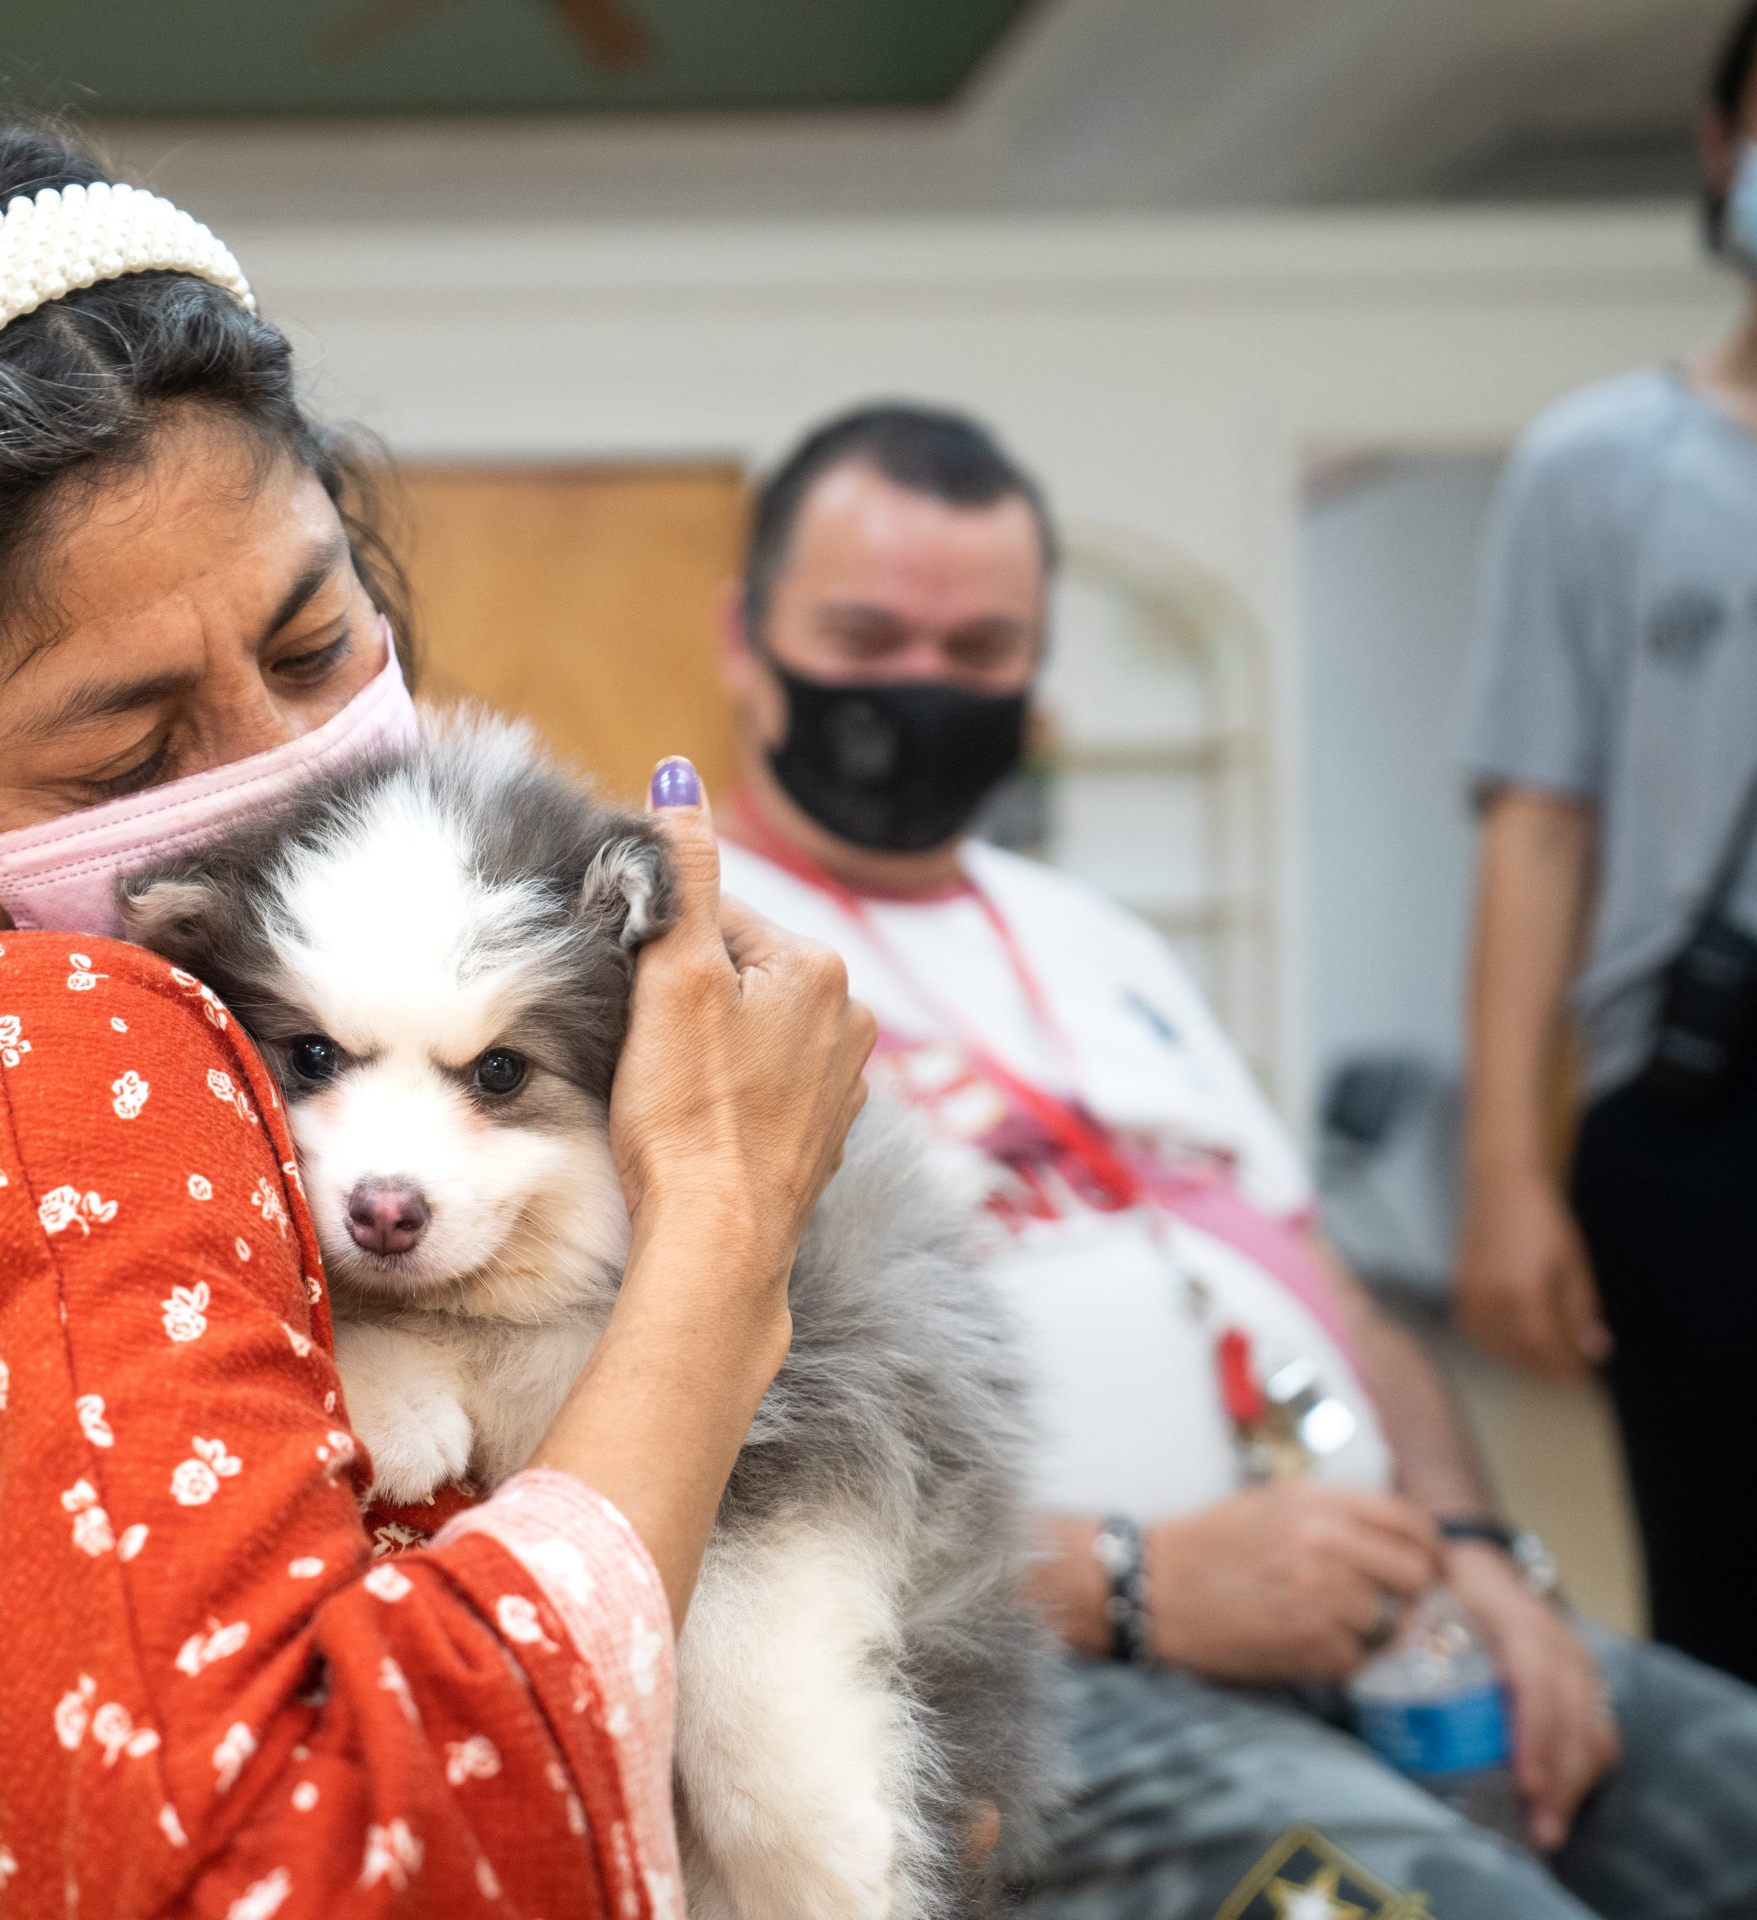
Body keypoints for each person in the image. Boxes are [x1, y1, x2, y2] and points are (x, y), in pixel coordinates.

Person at [0, 109, 875, 1919]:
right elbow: (294, 1879)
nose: (291, 785)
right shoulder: (42, 1061)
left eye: (311, 648)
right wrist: (722, 1235)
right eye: (128, 749)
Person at [714, 401, 1757, 1919]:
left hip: (1382, 1613)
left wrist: (1479, 1549)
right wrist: (1134, 1579)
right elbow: (689, 1450)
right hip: (1037, 1661)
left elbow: (1331, 1287)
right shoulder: (690, 954)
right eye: (869, 640)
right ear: (747, 641)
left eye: (982, 650)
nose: (924, 686)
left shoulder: (1098, 939)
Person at [1453, 0, 1757, 1689]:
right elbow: (1541, 827)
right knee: (1724, 1600)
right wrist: (1507, 1172)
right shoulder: (1600, 468)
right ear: (1721, 145)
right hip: (1698, 1111)